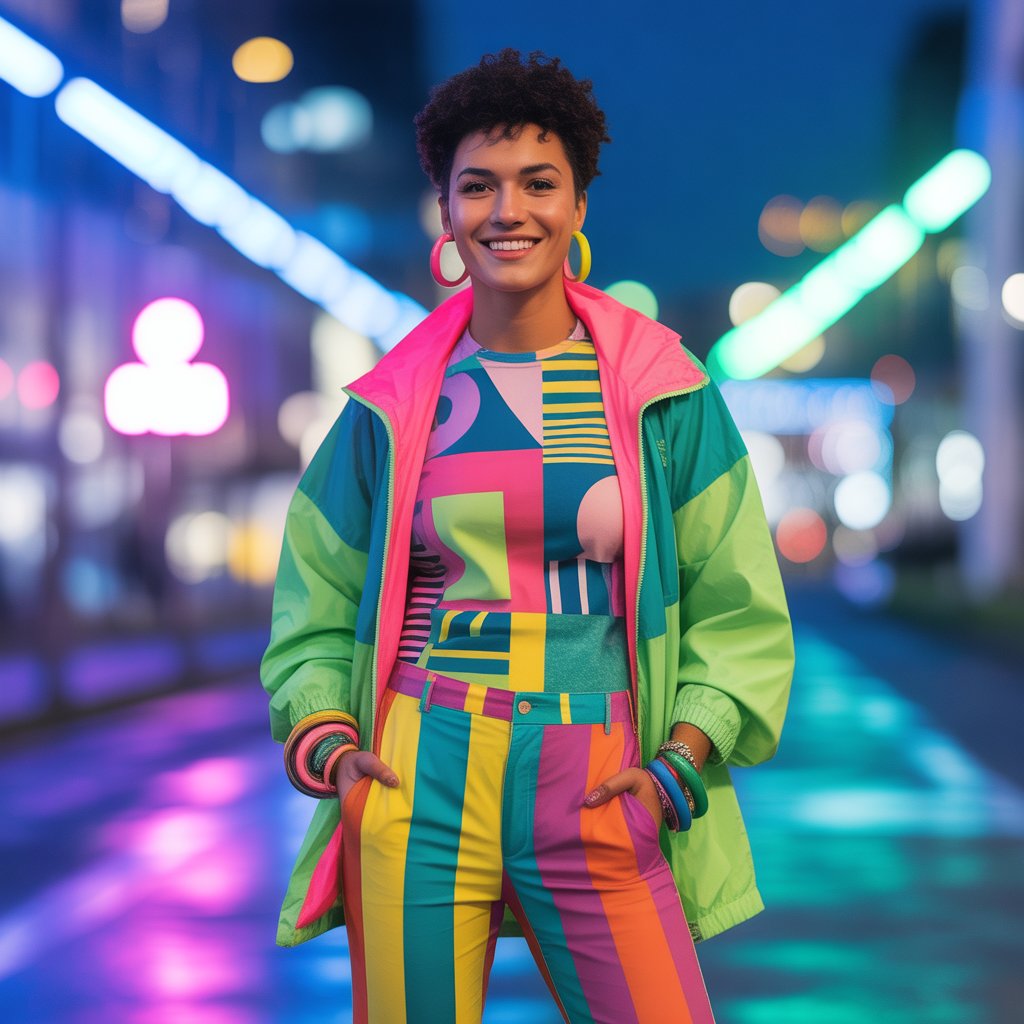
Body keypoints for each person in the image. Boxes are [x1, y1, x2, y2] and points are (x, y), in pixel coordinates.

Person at [261, 48, 794, 1024]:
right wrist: (332, 743)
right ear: (447, 212)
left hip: (601, 775)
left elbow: (737, 601)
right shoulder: (388, 406)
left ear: (578, 205)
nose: (509, 210)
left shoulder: (663, 393)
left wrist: (677, 760)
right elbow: (315, 601)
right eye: (478, 186)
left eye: (538, 183)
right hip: (414, 776)